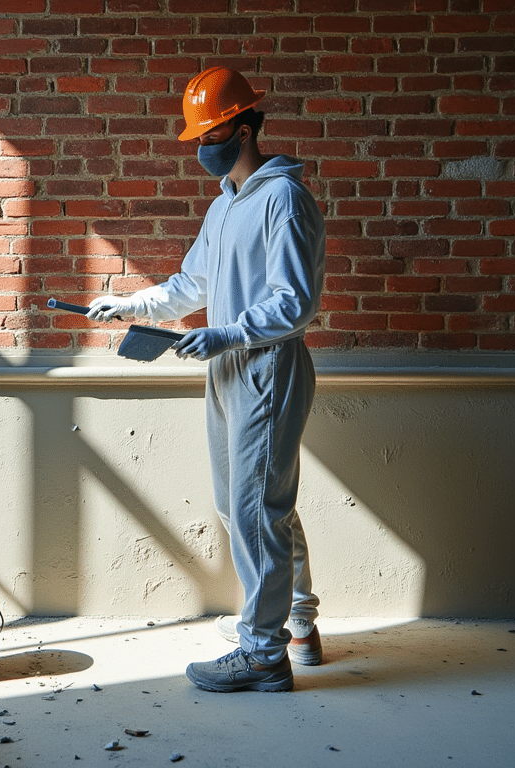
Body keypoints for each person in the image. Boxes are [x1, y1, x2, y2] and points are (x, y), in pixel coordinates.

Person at [87, 66, 327, 693]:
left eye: (212, 133)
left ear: (246, 127)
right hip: (228, 370)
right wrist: (132, 305)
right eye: (197, 136)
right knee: (244, 507)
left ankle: (264, 655)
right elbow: (189, 286)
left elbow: (295, 302)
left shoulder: (284, 199)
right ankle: (294, 622)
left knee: (256, 512)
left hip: (267, 369)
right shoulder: (225, 204)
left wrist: (223, 333)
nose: (202, 147)